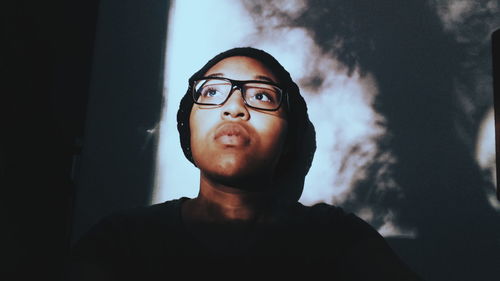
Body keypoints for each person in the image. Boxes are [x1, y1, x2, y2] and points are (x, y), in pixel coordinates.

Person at [68, 47, 422, 280]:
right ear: (187, 127)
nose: (234, 107)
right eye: (211, 91)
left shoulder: (336, 237)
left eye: (262, 95)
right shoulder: (122, 239)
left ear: (289, 138)